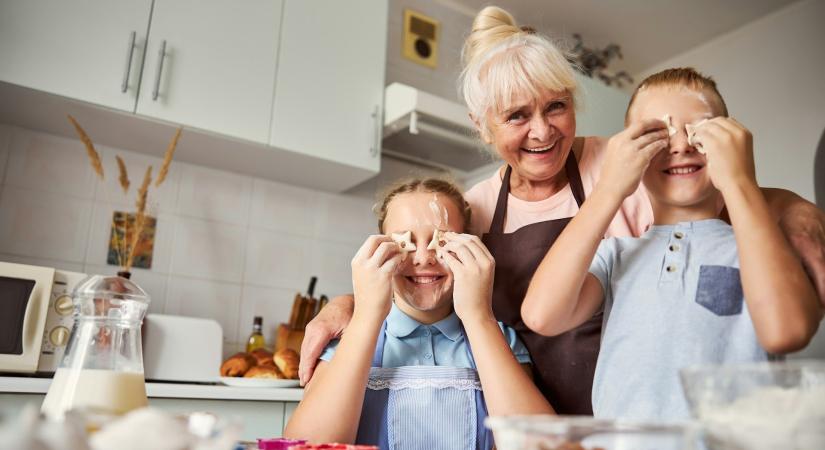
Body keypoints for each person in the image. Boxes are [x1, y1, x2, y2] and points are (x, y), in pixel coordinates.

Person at [298, 6, 825, 414]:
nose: (543, 131)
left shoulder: (623, 163)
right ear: (482, 125)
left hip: (626, 417)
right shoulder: (474, 209)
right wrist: (350, 301)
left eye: (556, 106)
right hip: (524, 423)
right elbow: (424, 275)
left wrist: (792, 205)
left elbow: (704, 195)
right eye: (516, 116)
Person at [522, 67, 823, 420]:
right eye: (659, 135)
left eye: (701, 133)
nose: (680, 145)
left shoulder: (761, 249)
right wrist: (610, 188)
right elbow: (542, 314)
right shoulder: (618, 255)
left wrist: (739, 180)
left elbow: (786, 333)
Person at [284, 178, 552, 447]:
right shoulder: (346, 338)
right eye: (406, 243)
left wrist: (478, 315)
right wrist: (366, 313)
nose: (423, 258)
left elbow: (539, 444)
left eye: (442, 241)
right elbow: (305, 446)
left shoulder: (499, 337)